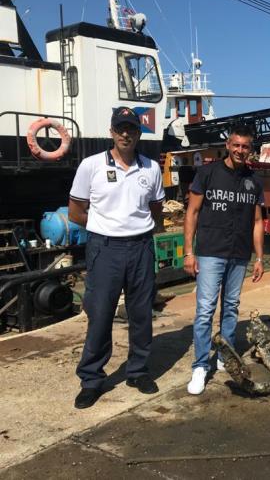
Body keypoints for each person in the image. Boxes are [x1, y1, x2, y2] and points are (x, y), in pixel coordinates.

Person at [68, 106, 164, 409]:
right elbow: (75, 211)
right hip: (104, 248)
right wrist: (104, 228)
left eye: (132, 128)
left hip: (141, 248)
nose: (126, 133)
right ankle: (92, 379)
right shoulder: (91, 165)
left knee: (141, 314)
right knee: (100, 315)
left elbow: (156, 211)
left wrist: (134, 228)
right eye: (121, 128)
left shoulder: (151, 168)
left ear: (139, 133)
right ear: (111, 132)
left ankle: (138, 371)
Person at [183, 125, 265, 395]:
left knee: (231, 307)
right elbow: (192, 213)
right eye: (236, 145)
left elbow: (256, 221)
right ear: (228, 145)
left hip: (239, 254)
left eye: (246, 146)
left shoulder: (254, 180)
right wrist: (188, 252)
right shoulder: (207, 173)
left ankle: (225, 355)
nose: (241, 150)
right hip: (210, 252)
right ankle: (199, 366)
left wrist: (260, 257)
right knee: (205, 310)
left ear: (250, 149)